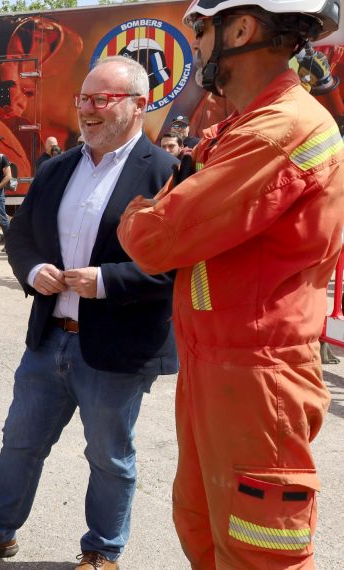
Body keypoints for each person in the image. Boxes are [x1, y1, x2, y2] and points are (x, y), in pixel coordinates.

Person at [118, 0, 343, 567]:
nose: (195, 45)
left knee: (258, 548)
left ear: (240, 29)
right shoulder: (243, 126)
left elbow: (154, 239)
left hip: (255, 373)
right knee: (201, 524)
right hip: (219, 365)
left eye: (200, 29)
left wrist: (140, 213)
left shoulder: (277, 130)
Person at [0, 56, 178, 569]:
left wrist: (105, 282)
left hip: (116, 348)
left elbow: (177, 264)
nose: (87, 110)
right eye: (83, 99)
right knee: (20, 442)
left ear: (139, 105)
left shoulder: (165, 173)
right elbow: (21, 237)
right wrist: (32, 270)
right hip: (49, 337)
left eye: (101, 99)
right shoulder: (57, 168)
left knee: (109, 457)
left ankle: (102, 552)